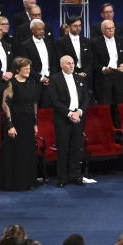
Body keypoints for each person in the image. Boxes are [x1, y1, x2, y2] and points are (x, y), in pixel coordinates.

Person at [0, 57, 39, 192]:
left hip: (28, 122)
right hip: (16, 121)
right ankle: (16, 183)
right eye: (25, 68)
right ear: (17, 69)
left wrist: (35, 123)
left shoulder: (32, 82)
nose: (28, 70)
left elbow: (34, 103)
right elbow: (6, 105)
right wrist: (10, 125)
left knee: (28, 151)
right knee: (17, 152)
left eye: (29, 68)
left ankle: (29, 181)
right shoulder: (11, 83)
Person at [49, 55, 89, 189]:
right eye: (68, 63)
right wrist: (70, 113)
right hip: (63, 118)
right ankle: (63, 177)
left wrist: (79, 112)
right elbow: (54, 101)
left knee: (77, 148)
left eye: (72, 63)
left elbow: (86, 98)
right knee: (63, 148)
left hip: (78, 117)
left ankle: (75, 175)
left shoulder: (79, 78)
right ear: (61, 65)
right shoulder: (55, 79)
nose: (71, 65)